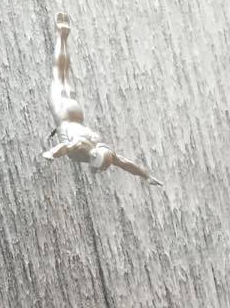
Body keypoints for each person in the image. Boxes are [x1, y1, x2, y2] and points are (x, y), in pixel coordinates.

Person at [43, 13, 162, 188]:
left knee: (63, 77)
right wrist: (52, 154)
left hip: (75, 115)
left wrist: (146, 176)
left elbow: (126, 164)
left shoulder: (105, 152)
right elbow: (65, 147)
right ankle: (61, 35)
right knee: (59, 74)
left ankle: (63, 37)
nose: (101, 169)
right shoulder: (84, 147)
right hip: (65, 114)